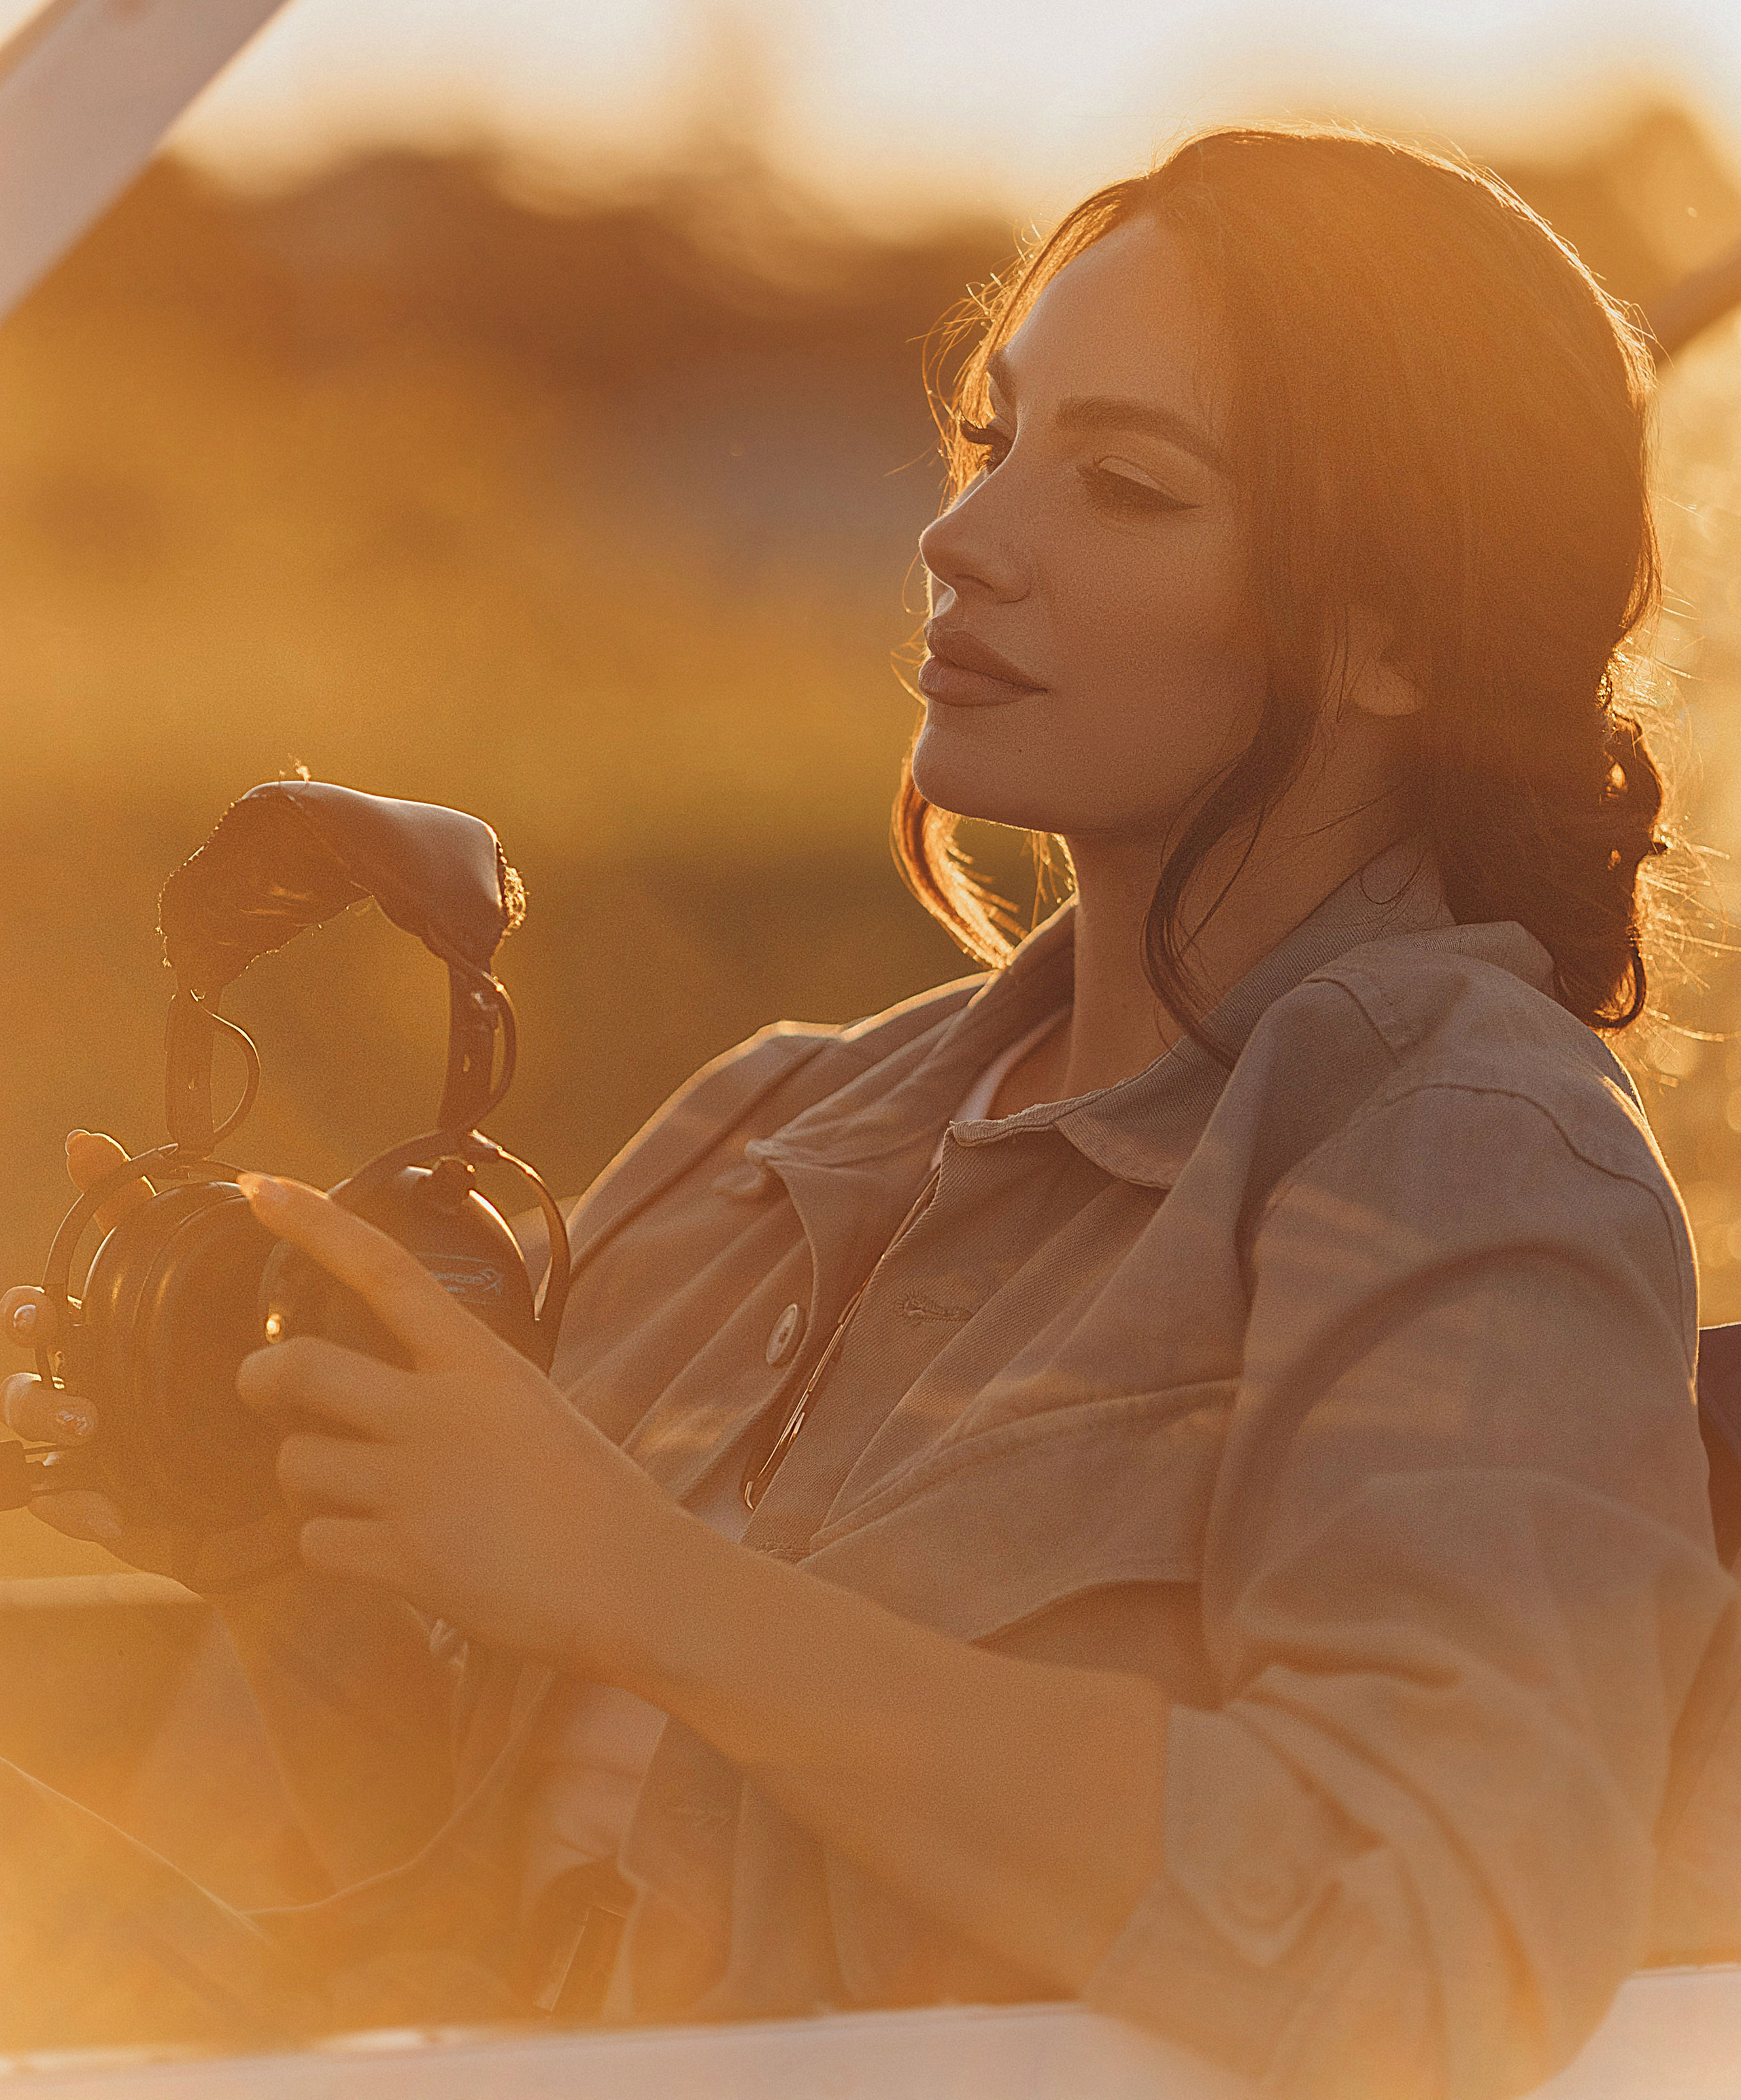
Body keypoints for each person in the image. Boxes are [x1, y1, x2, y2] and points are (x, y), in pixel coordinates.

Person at [2, 122, 1737, 2098]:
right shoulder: (774, 1128)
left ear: (1401, 630)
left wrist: (643, 1587)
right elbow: (486, 1904)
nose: (965, 536)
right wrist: (287, 1529)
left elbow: (1433, 1934)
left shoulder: (1466, 1153)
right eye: (999, 442)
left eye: (1124, 485)